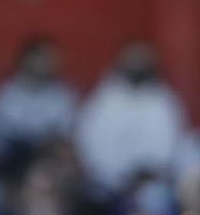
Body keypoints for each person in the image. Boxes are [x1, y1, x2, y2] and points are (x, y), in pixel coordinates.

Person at [75, 42, 189, 201]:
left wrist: (148, 172)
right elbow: (89, 141)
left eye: (142, 60)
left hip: (151, 182)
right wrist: (117, 175)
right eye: (132, 59)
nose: (137, 65)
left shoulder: (164, 100)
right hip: (107, 183)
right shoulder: (103, 99)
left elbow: (172, 143)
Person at [0, 36, 79, 179]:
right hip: (10, 166)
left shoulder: (63, 97)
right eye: (41, 57)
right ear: (26, 59)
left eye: (51, 59)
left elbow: (66, 138)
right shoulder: (3, 95)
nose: (47, 63)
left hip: (48, 167)